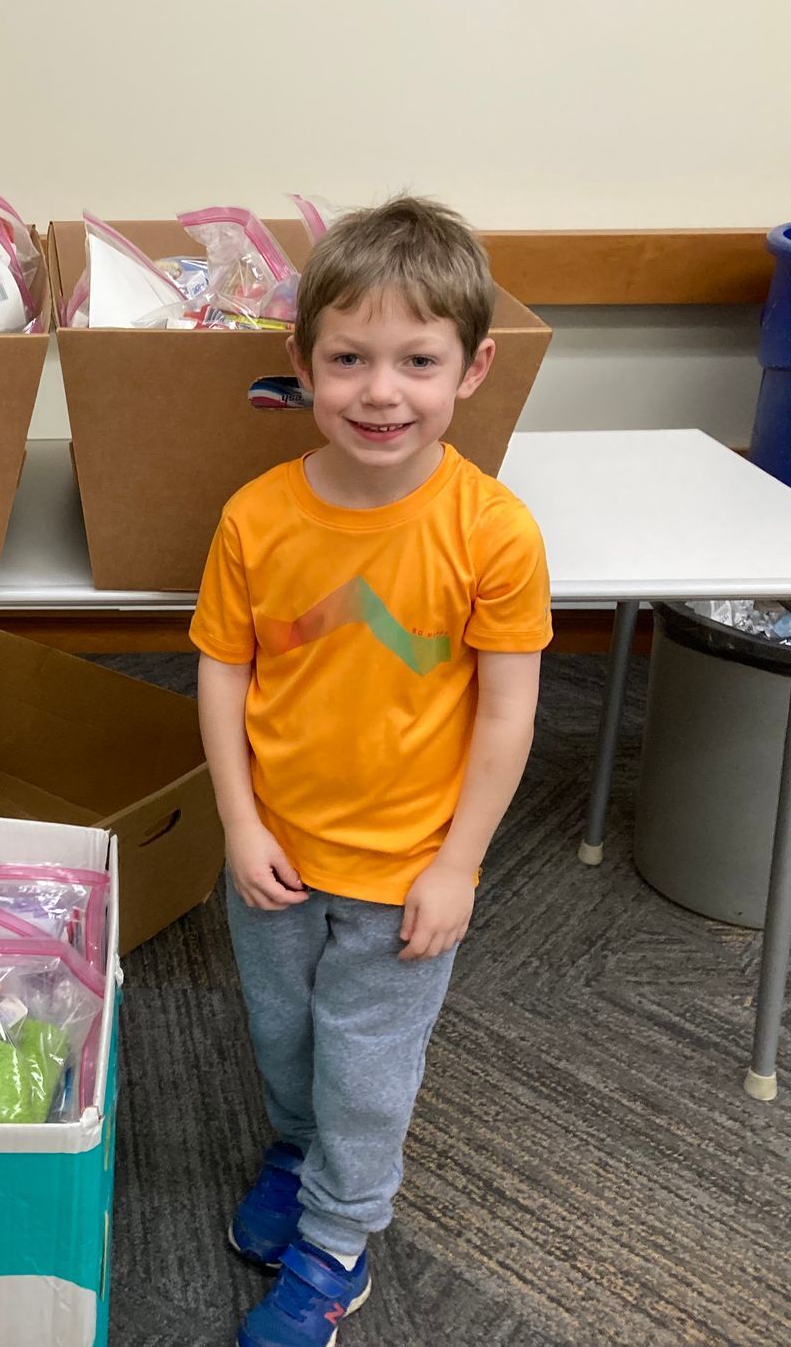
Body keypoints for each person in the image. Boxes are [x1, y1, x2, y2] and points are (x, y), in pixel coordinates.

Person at [191, 197, 551, 1346]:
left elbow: (506, 716)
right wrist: (239, 825)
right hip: (281, 853)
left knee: (366, 1064)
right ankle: (295, 1153)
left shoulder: (493, 533)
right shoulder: (257, 517)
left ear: (473, 369)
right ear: (302, 365)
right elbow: (220, 675)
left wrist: (460, 867)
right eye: (348, 358)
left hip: (406, 870)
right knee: (284, 1034)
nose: (379, 390)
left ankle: (339, 1243)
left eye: (416, 360)